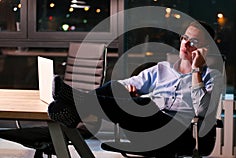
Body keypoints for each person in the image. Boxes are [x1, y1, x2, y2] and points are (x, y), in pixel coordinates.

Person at [48, 20, 224, 154]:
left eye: (192, 41)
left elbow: (202, 111)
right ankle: (77, 109)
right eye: (184, 38)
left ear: (205, 48)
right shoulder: (162, 69)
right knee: (114, 87)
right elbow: (127, 84)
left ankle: (76, 106)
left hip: (181, 135)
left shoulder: (212, 77)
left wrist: (196, 70)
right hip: (147, 127)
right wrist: (126, 89)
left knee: (144, 105)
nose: (185, 44)